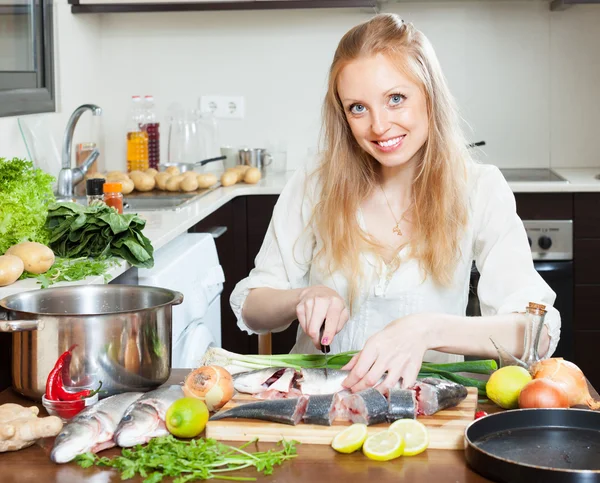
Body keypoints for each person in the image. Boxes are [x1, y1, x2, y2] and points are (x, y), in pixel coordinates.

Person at [230, 13, 561, 394]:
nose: (379, 126)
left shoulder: (479, 189)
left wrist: (426, 329)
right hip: (322, 404)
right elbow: (253, 308)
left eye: (396, 99)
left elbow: (537, 334)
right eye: (358, 108)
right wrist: (301, 297)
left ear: (429, 95)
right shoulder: (315, 183)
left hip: (424, 408)